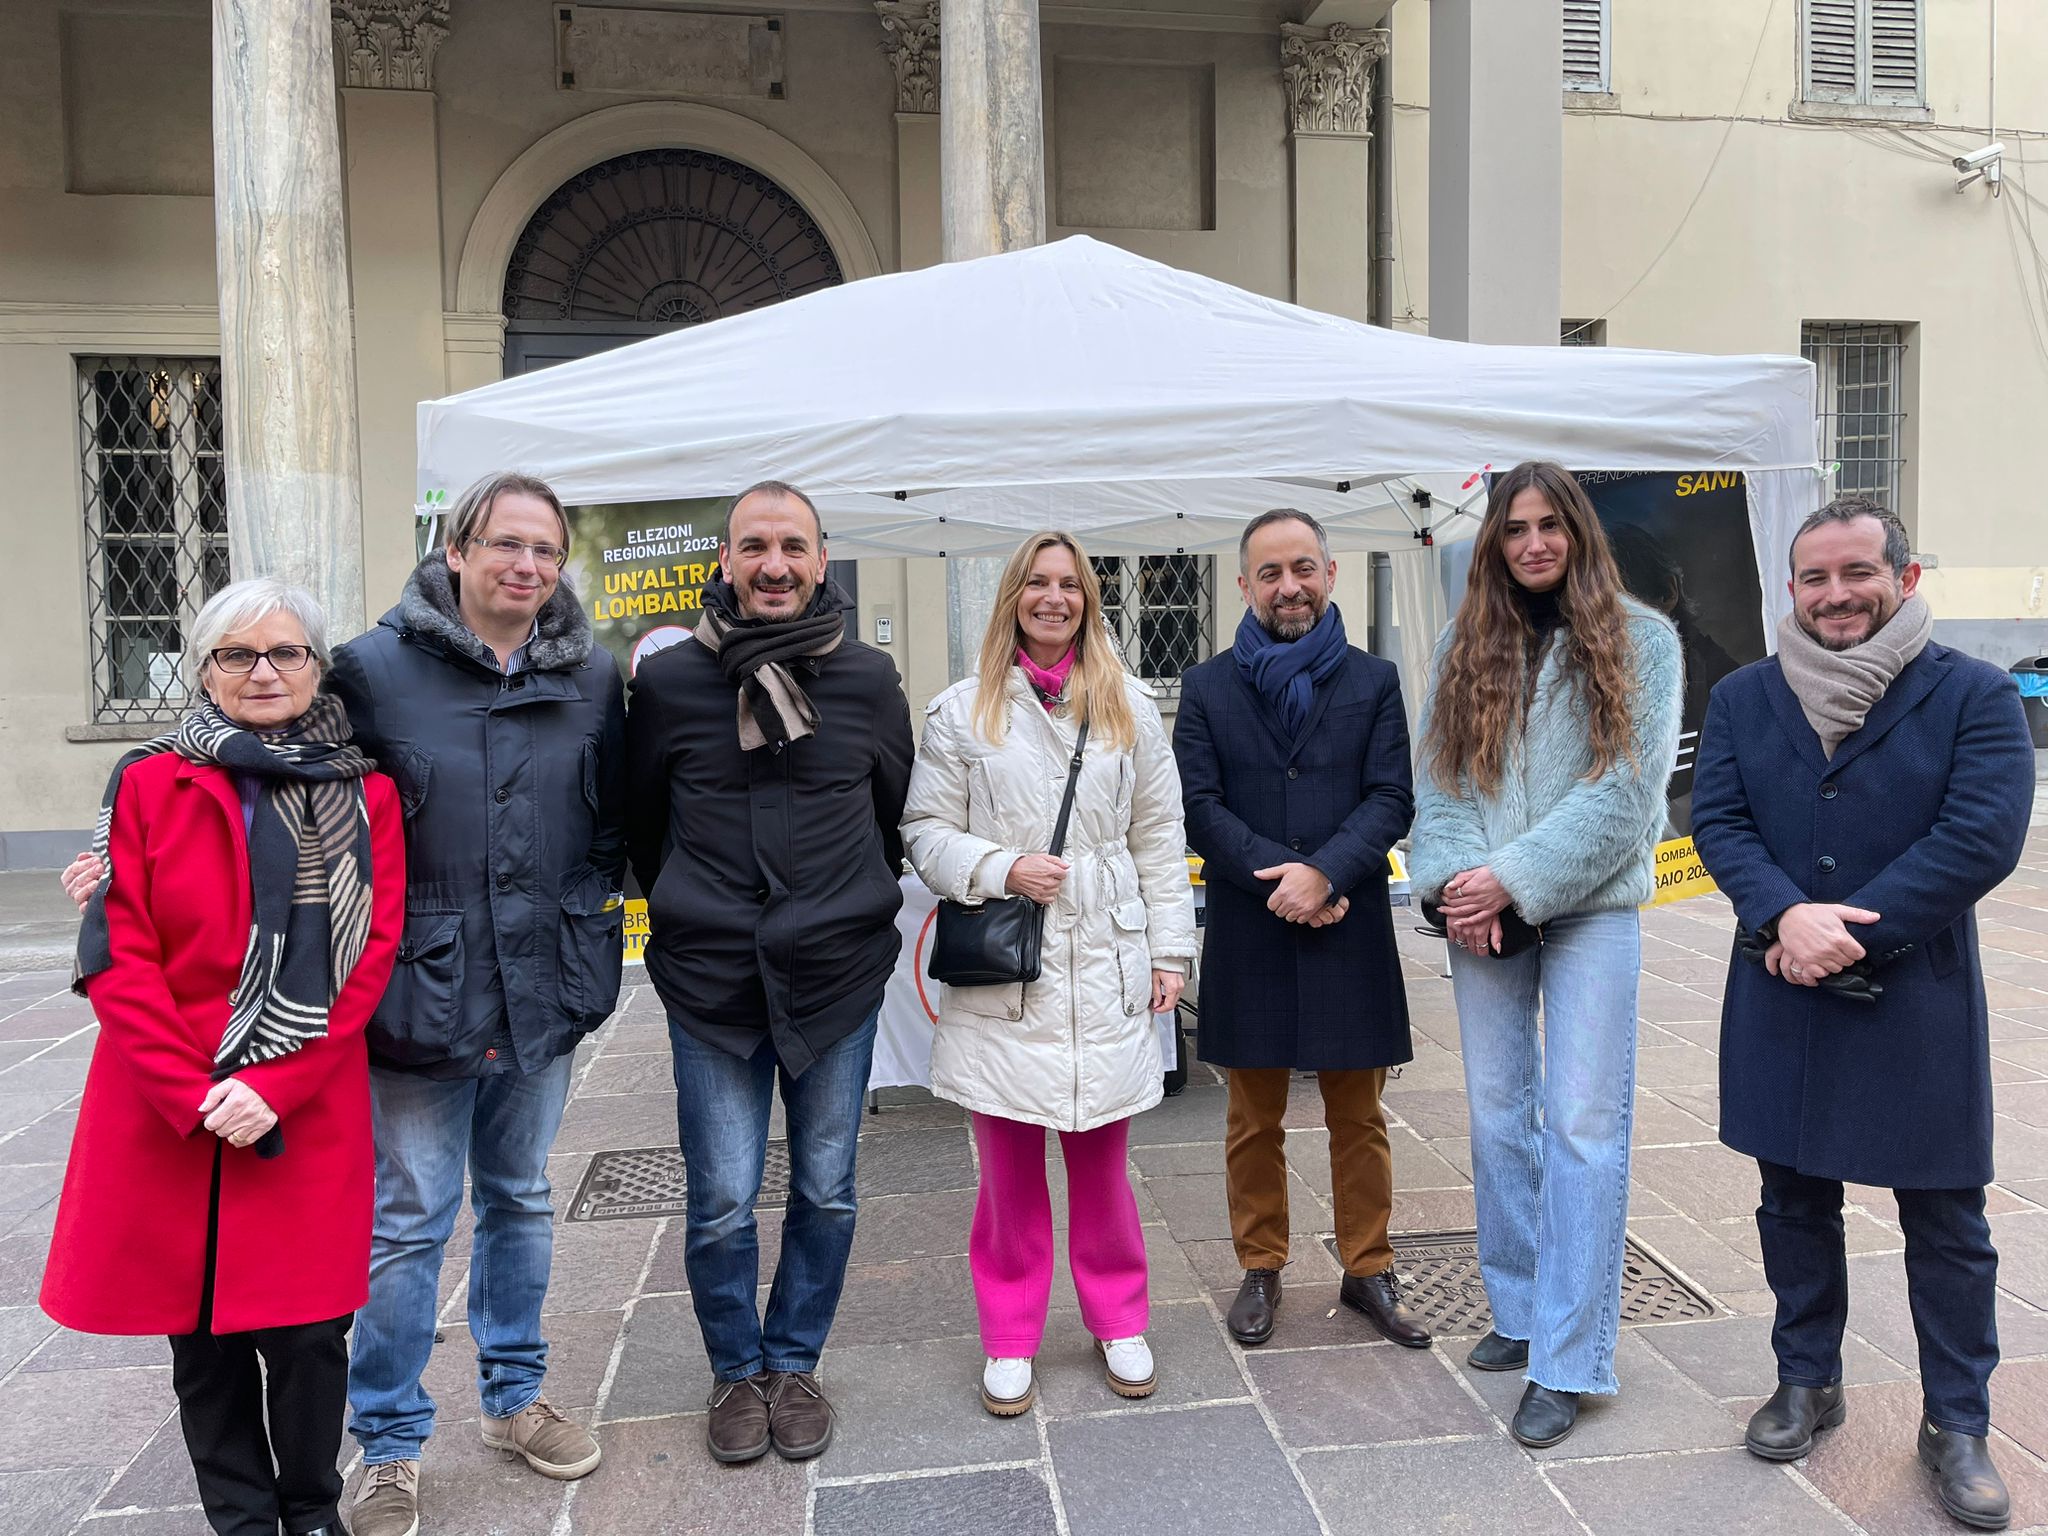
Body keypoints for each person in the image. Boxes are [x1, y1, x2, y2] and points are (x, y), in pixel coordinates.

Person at [1692, 497, 2035, 1531]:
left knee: (1943, 1220)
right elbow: (1714, 816)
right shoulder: (1746, 695)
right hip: (1777, 989)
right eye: (1813, 578)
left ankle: (1956, 1423)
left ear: (1905, 577)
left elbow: (1980, 836)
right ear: (1787, 590)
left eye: (1855, 573)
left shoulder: (1971, 694)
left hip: (1910, 995)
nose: (1835, 595)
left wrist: (1842, 930)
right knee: (1789, 1198)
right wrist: (1782, 916)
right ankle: (1806, 1382)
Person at [42, 579, 405, 1536]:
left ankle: (313, 1509)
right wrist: (198, 1092)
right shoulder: (148, 779)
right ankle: (240, 1519)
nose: (263, 672)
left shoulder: (365, 791)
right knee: (199, 1337)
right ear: (203, 670)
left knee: (309, 1335)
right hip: (168, 1102)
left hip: (303, 1098)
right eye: (236, 655)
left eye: (285, 652)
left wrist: (272, 1085)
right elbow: (116, 950)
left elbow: (368, 957)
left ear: (318, 666)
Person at [625, 480, 913, 1464]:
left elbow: (889, 808)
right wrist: (699, 899)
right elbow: (641, 823)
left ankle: (792, 1362)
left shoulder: (867, 679)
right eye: (755, 547)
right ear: (726, 561)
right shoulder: (667, 684)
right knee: (720, 1193)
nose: (774, 565)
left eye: (792, 546)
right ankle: (734, 1371)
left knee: (827, 1187)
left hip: (834, 975)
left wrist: (839, 900)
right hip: (711, 981)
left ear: (820, 561)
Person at [1408, 460, 1683, 1449]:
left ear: (1576, 533)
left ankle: (1569, 1357)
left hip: (1588, 911)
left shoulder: (1640, 642)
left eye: (1547, 525)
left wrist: (1511, 878)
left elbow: (1624, 797)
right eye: (1513, 527)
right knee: (1493, 1116)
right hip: (1479, 912)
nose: (1530, 542)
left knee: (1579, 1124)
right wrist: (1453, 886)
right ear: (1493, 541)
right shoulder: (1460, 646)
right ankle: (1517, 1307)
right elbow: (1435, 786)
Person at [902, 531, 1197, 1415]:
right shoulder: (963, 711)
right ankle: (1010, 1335)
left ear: (1089, 600)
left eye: (1070, 584)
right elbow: (923, 833)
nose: (1054, 597)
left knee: (1103, 1159)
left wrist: (1171, 951)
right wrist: (1001, 868)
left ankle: (1119, 1317)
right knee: (1009, 1172)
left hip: (1105, 956)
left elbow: (1159, 836)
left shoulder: (1129, 708)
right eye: (1037, 581)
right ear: (1012, 597)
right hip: (1010, 970)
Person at [1172, 509, 1423, 1352]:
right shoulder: (1208, 688)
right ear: (1244, 585)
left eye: (1304, 569)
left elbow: (1392, 796)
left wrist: (1328, 874)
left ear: (1330, 573)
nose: (1290, 587)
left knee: (1360, 1116)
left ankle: (1368, 1266)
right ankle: (1262, 1265)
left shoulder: (1374, 679)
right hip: (1254, 925)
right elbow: (1199, 809)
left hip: (1348, 921)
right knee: (1253, 1119)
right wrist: (1285, 880)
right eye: (1271, 573)